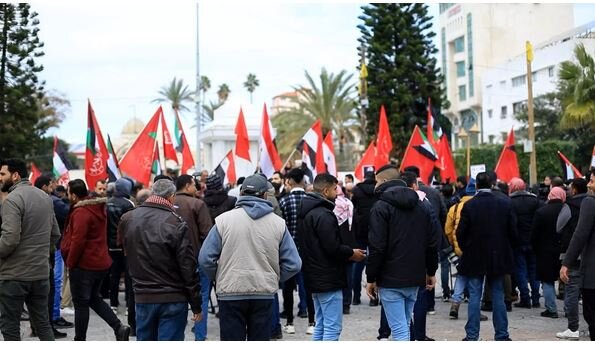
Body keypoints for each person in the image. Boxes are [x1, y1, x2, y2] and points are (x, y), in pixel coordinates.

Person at [199, 174, 302, 341]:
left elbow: (205, 258)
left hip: (230, 292)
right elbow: (294, 264)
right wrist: (274, 277)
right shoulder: (278, 223)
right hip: (263, 293)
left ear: (241, 193)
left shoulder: (223, 221)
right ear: (264, 195)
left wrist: (219, 276)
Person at [119, 179, 202, 340]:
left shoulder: (129, 218)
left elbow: (126, 251)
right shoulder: (175, 222)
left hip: (143, 294)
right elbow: (187, 266)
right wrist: (196, 304)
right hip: (172, 296)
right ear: (171, 197)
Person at [366, 166, 438, 341]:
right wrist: (431, 271)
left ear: (383, 181)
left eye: (376, 181)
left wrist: (371, 277)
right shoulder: (422, 206)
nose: (374, 185)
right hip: (414, 276)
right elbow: (431, 243)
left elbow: (377, 246)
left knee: (399, 330)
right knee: (404, 325)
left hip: (391, 278)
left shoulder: (380, 207)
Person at [60, 179, 130, 341]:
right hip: (99, 261)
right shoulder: (95, 208)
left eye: (69, 193)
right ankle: (118, 327)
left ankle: (80, 338)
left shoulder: (81, 212)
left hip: (84, 264)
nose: (67, 196)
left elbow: (78, 241)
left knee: (81, 303)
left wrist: (70, 262)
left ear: (74, 195)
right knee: (93, 299)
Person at [298, 173, 365, 341]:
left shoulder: (308, 212)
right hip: (328, 278)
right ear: (326, 190)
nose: (338, 193)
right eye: (335, 189)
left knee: (321, 324)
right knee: (332, 328)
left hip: (316, 277)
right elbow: (332, 248)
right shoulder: (323, 214)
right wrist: (351, 253)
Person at [0, 158, 61, 341]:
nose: (0, 178)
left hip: (15, 276)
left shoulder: (12, 200)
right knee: (43, 324)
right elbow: (55, 234)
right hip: (40, 274)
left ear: (16, 175)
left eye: (3, 174)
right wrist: (39, 252)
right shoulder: (45, 197)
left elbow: (9, 240)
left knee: (10, 326)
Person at [456, 172, 517, 341]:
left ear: (476, 186)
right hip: (498, 255)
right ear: (491, 184)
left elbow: (460, 233)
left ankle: (472, 335)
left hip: (474, 255)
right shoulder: (505, 203)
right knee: (498, 294)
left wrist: (466, 249)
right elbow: (513, 231)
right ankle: (502, 334)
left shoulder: (469, 205)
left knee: (475, 295)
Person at [173, 174, 213, 341]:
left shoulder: (168, 204)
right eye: (194, 185)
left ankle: (176, 335)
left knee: (177, 298)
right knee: (202, 297)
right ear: (188, 186)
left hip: (172, 261)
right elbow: (208, 234)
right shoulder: (197, 204)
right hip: (195, 259)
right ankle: (199, 336)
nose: (197, 188)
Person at [33, 176, 70, 338]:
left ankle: (42, 325)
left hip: (35, 253)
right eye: (51, 185)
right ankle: (49, 323)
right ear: (44, 186)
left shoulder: (28, 202)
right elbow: (55, 231)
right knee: (52, 285)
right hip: (48, 250)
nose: (54, 187)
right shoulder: (52, 201)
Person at [560, 172, 595, 340]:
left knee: (591, 313)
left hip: (591, 270)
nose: (589, 184)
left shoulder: (589, 202)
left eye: (592, 181)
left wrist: (566, 262)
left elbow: (580, 234)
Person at [278, 168, 312, 334]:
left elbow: (280, 228)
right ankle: (312, 323)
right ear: (303, 181)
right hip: (308, 251)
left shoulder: (284, 201)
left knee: (288, 288)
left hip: (288, 251)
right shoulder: (310, 200)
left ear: (290, 181)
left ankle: (290, 322)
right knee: (308, 286)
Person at [106, 178, 136, 332]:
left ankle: (113, 303)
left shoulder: (107, 202)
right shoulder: (128, 204)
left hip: (110, 245)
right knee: (129, 276)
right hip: (124, 246)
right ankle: (128, 300)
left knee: (114, 274)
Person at [531, 187, 566, 319]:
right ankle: (569, 309)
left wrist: (535, 248)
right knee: (567, 280)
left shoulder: (541, 212)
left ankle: (551, 309)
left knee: (547, 280)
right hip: (564, 250)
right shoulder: (567, 210)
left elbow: (534, 233)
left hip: (544, 251)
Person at [508, 177, 542, 308]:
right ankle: (536, 298)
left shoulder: (510, 201)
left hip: (518, 242)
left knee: (520, 270)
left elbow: (511, 223)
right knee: (534, 270)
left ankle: (525, 298)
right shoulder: (534, 200)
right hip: (533, 241)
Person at [350, 171, 378, 306]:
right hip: (376, 229)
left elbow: (353, 208)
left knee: (358, 263)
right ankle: (374, 298)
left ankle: (356, 297)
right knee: (375, 261)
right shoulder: (378, 190)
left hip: (360, 230)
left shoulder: (357, 190)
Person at [335, 185, 355, 315]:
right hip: (349, 244)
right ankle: (346, 303)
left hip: (336, 244)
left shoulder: (332, 206)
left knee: (337, 275)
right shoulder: (349, 204)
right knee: (348, 275)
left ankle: (339, 303)